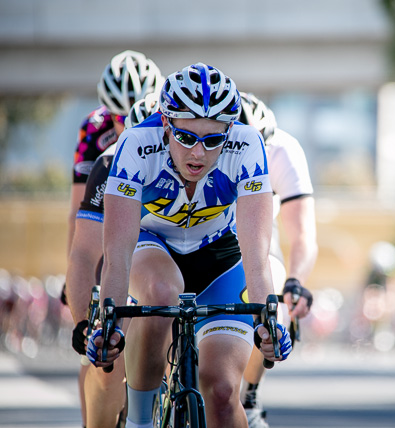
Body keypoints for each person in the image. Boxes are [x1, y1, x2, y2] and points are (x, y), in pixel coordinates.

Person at [86, 63, 292, 428]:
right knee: (163, 291)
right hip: (153, 246)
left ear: (229, 131)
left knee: (224, 393)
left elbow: (256, 254)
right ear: (165, 123)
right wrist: (109, 322)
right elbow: (117, 254)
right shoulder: (136, 144)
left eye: (213, 140)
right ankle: (139, 422)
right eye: (185, 137)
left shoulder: (247, 145)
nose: (198, 153)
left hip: (220, 256)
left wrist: (268, 321)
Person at [65, 50, 162, 428]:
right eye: (119, 119)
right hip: (106, 221)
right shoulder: (96, 133)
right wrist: (78, 294)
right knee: (102, 358)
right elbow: (80, 217)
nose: (127, 129)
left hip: (153, 242)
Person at [237, 92, 317, 428]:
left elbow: (301, 233)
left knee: (273, 307)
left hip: (259, 241)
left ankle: (249, 395)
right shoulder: (204, 146)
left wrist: (294, 282)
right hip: (205, 236)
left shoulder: (284, 149)